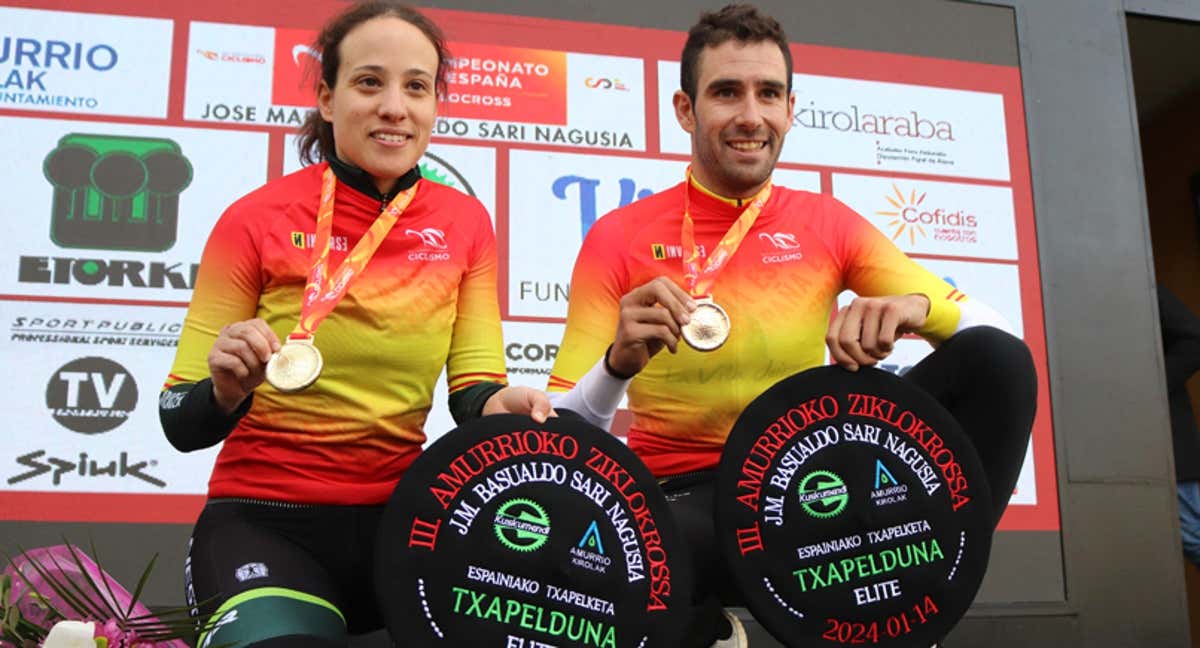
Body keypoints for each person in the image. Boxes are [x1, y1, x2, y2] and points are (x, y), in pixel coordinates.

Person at [546, 4, 1037, 647]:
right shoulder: (619, 236)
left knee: (998, 364)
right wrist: (616, 365)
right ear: (686, 111)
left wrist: (918, 308)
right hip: (686, 502)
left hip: (811, 490)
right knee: (580, 559)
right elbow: (563, 433)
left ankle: (927, 582)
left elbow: (996, 337)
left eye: (768, 93)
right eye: (727, 92)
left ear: (790, 109)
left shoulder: (825, 222)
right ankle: (703, 628)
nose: (751, 115)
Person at [159, 3, 551, 646]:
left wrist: (504, 403)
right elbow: (178, 418)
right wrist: (227, 388)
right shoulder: (253, 219)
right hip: (262, 524)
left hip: (405, 528)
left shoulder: (465, 224)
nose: (395, 106)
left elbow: (475, 389)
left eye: (416, 86)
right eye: (370, 82)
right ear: (326, 96)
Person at [1156, 284, 1200, 568]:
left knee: (1193, 536)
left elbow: (1194, 340)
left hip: (1168, 445)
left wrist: (1152, 385)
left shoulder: (1138, 284)